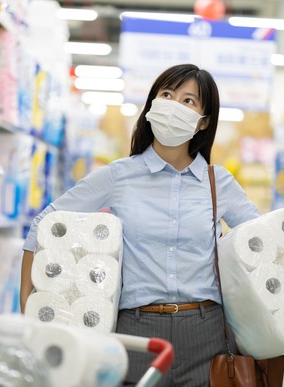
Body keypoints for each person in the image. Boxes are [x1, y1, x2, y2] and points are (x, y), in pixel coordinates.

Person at [19, 63, 260, 386]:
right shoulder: (119, 176)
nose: (174, 104)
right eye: (167, 94)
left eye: (188, 101)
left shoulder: (218, 183)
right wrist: (29, 304)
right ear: (152, 105)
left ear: (203, 122)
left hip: (206, 332)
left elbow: (264, 243)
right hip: (135, 333)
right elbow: (45, 224)